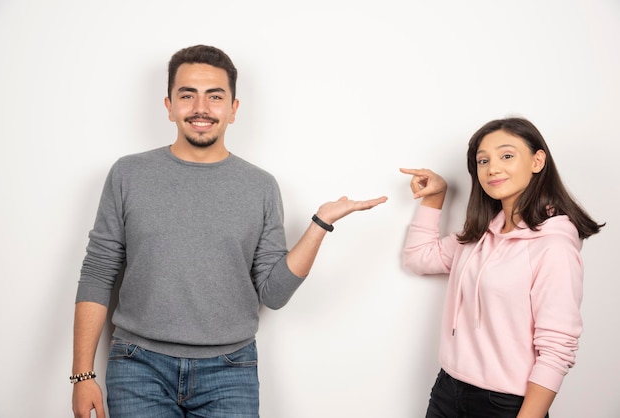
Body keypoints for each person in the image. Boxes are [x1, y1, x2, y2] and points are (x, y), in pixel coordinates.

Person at [71, 44, 387, 418]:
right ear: (169, 105)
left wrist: (320, 224)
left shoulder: (260, 186)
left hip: (229, 371)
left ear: (233, 109)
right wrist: (82, 375)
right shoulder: (128, 174)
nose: (201, 108)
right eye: (187, 95)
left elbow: (273, 293)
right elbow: (98, 272)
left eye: (215, 96)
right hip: (138, 366)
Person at [400, 117, 604, 418]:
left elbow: (557, 349)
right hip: (447, 390)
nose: (492, 168)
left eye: (506, 155)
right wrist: (435, 196)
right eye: (483, 160)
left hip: (505, 405)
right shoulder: (479, 235)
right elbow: (418, 258)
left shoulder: (554, 246)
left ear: (537, 161)